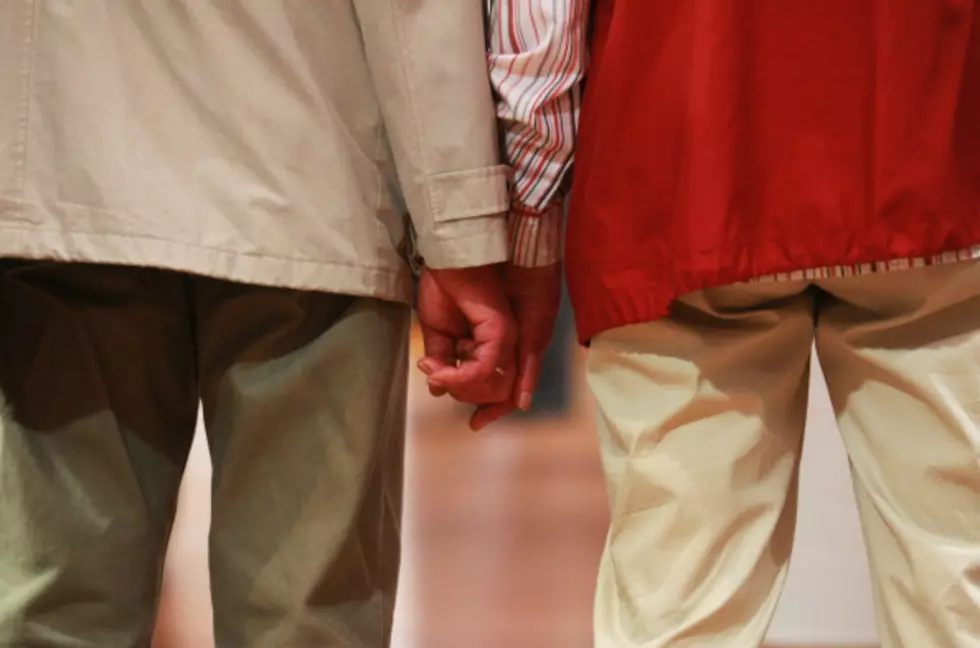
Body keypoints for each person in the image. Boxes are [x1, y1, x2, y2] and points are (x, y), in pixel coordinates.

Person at [424, 1, 980, 646]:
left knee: (679, 600)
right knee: (960, 576)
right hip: (935, 133)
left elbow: (543, 22)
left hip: (677, 157)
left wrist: (523, 216)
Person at [0, 3, 519, 646]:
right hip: (309, 178)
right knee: (303, 617)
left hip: (62, 177)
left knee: (58, 610)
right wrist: (461, 231)